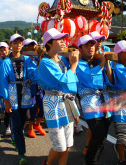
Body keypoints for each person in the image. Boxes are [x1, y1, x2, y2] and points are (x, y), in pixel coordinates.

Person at [38, 28, 80, 165]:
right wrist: (74, 64)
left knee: (67, 146)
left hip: (66, 101)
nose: (63, 41)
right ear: (49, 43)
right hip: (53, 103)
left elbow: (71, 82)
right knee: (59, 146)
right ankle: (48, 163)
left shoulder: (62, 59)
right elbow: (63, 80)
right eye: (59, 39)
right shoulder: (45, 62)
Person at [0, 33, 38, 165]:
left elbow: (34, 73)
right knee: (17, 123)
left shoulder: (27, 59)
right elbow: (3, 82)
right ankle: (22, 153)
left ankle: (15, 135)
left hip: (25, 93)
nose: (18, 45)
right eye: (15, 43)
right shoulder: (6, 62)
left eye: (20, 42)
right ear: (10, 45)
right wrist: (6, 100)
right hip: (12, 93)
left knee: (26, 118)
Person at [76, 34, 113, 165]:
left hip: (105, 103)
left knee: (102, 138)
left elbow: (110, 81)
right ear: (80, 49)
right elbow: (89, 79)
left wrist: (105, 62)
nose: (90, 48)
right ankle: (90, 162)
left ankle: (93, 160)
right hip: (90, 104)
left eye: (92, 45)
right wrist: (103, 62)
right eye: (86, 46)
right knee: (98, 136)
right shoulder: (79, 64)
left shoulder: (97, 61)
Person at [22, 39, 46, 138]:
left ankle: (37, 124)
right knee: (32, 109)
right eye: (30, 45)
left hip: (39, 87)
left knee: (44, 106)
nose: (32, 47)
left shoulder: (36, 59)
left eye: (34, 45)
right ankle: (30, 128)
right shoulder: (24, 59)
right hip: (29, 87)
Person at [0, 42, 12, 136]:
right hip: (4, 88)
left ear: (8, 48)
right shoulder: (0, 62)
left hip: (13, 87)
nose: (3, 51)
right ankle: (7, 126)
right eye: (1, 50)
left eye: (4, 49)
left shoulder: (13, 58)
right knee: (6, 109)